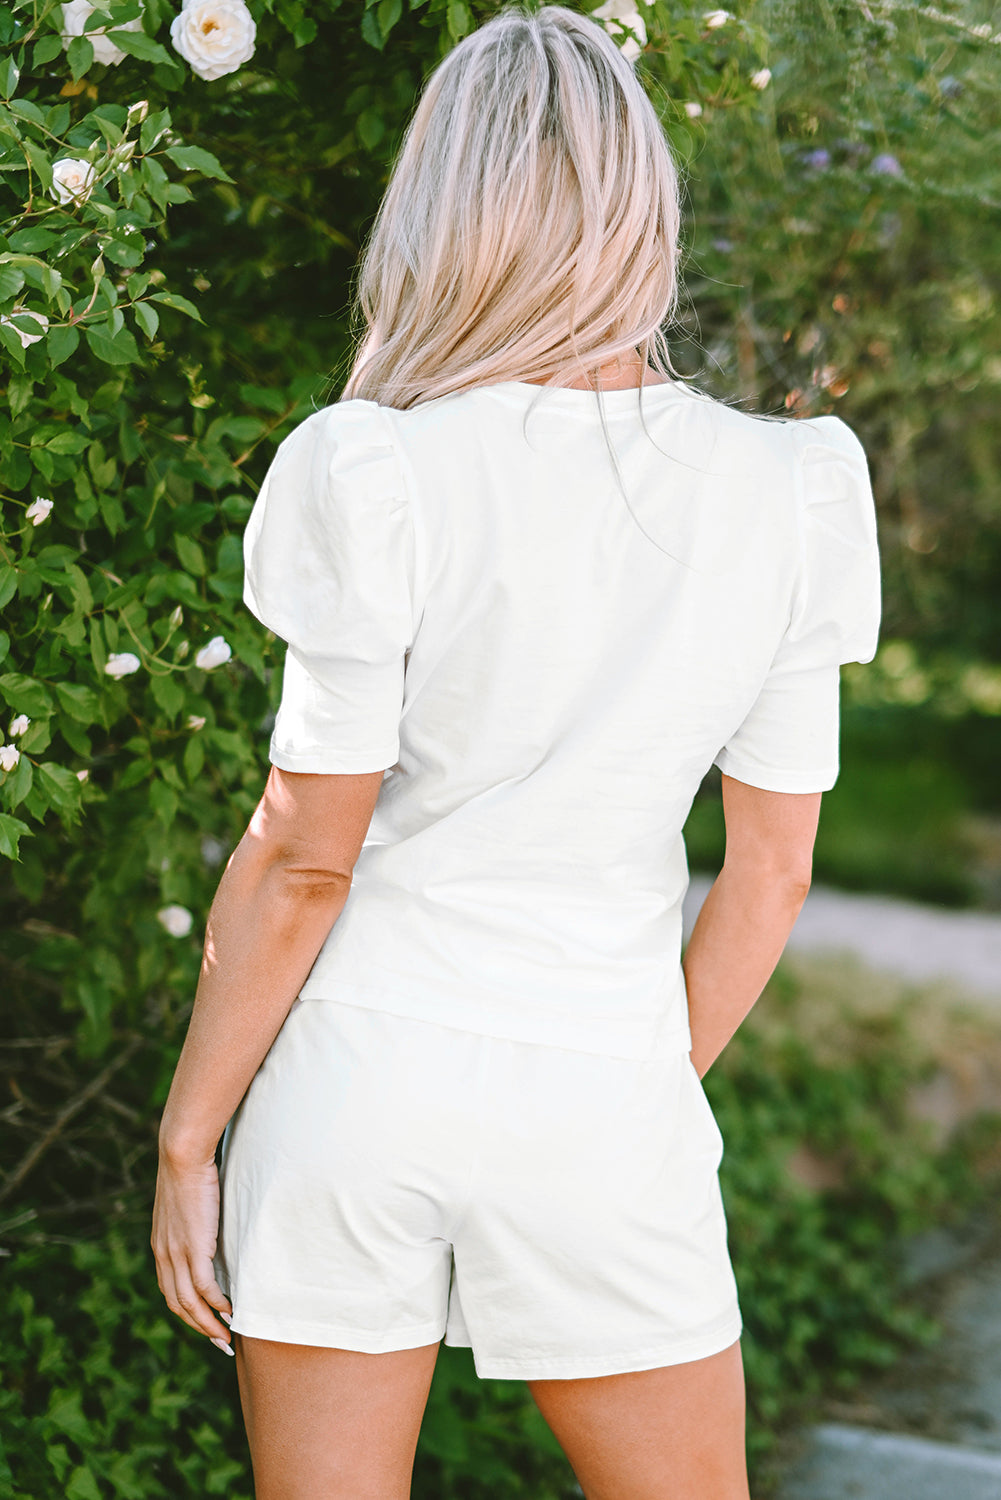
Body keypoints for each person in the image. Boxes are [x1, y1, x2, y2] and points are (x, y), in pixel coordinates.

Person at [150, 3, 882, 1496]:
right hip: (606, 1084)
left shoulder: (372, 467)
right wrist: (625, 1086)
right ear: (642, 210)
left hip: (356, 1073)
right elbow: (772, 869)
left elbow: (303, 856)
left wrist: (189, 1136)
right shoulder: (789, 489)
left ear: (440, 211)